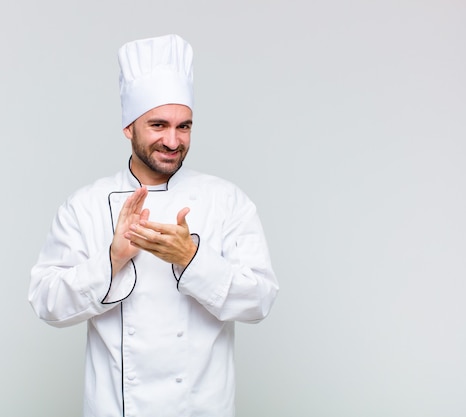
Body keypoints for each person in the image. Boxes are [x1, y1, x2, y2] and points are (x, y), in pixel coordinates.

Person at [29, 34, 279, 417]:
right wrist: (111, 261)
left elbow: (260, 300)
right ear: (129, 127)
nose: (173, 140)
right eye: (158, 125)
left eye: (184, 126)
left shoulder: (226, 201)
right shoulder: (86, 205)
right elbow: (47, 303)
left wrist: (192, 258)